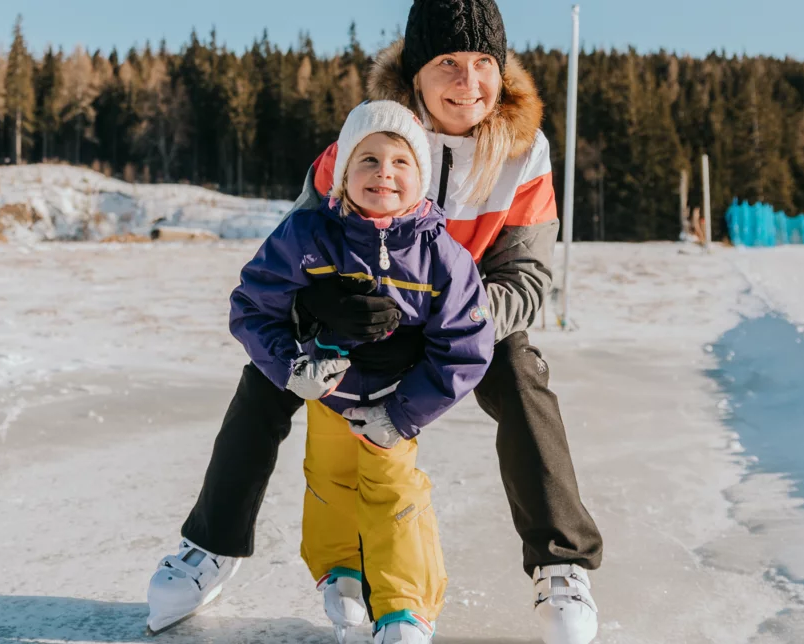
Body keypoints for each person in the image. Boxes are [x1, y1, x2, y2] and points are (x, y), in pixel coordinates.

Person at [153, 1, 605, 642]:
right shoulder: (365, 141)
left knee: (522, 375)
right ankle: (212, 545)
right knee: (265, 379)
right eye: (447, 62)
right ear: (414, 73)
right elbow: (296, 250)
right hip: (360, 319)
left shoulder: (524, 153)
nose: (467, 82)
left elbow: (527, 278)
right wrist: (318, 310)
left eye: (483, 64)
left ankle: (560, 563)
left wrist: (452, 321)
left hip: (463, 319)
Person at [148, 101, 493, 644]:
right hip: (327, 396)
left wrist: (403, 414)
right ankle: (341, 573)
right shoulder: (307, 236)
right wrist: (291, 367)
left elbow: (467, 347)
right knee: (328, 480)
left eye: (401, 162)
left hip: (394, 401)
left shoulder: (441, 255)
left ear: (421, 178)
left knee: (393, 490)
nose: (384, 173)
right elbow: (252, 306)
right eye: (369, 160)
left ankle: (405, 608)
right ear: (342, 174)